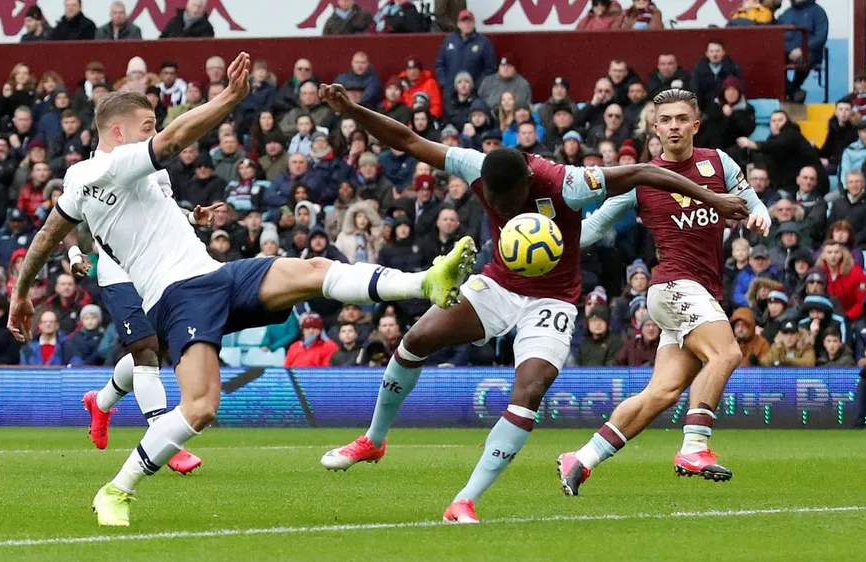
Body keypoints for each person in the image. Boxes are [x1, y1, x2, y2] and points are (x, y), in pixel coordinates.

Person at [7, 53, 479, 528]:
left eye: (153, 124)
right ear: (117, 133)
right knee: (201, 407)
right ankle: (116, 489)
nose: (153, 131)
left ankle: (427, 281)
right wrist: (230, 97)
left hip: (215, 275)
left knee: (312, 268)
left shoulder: (93, 180)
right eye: (146, 124)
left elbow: (52, 232)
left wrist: (21, 292)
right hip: (177, 296)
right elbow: (171, 141)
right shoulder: (103, 169)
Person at [315, 82, 748, 523]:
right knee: (416, 340)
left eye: (511, 201)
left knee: (529, 390)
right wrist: (353, 108)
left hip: (554, 300)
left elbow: (643, 172)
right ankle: (373, 439)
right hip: (499, 285)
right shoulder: (476, 166)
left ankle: (464, 500)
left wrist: (713, 198)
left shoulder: (570, 183)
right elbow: (408, 140)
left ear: (527, 180)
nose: (502, 208)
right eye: (495, 203)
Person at [564, 89, 770, 495]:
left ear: (695, 124)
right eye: (666, 120)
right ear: (654, 128)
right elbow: (594, 227)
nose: (673, 125)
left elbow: (751, 201)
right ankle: (694, 446)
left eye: (681, 118)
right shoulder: (640, 178)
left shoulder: (718, 162)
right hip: (673, 285)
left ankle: (581, 458)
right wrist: (550, 243)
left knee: (663, 392)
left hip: (700, 291)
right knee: (727, 352)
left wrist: (759, 213)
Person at [69, 168, 204, 474]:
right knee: (145, 350)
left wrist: (193, 218)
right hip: (118, 275)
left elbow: (163, 214)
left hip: (155, 272)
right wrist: (75, 252)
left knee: (152, 352)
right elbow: (67, 214)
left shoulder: (155, 167)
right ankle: (165, 441)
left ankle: (100, 402)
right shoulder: (94, 168)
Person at [434, 10, 496, 96]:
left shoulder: (484, 43)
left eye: (469, 21)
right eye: (463, 21)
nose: (467, 24)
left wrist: (477, 86)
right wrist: (446, 84)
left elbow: (490, 69)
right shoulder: (449, 41)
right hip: (451, 93)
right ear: (458, 24)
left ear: (474, 23)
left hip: (475, 93)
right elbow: (440, 65)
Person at [780, 0, 829, 103]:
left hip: (809, 51)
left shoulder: (818, 12)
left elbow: (821, 37)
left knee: (804, 59)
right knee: (771, 61)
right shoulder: (786, 13)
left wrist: (803, 49)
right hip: (786, 51)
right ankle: (793, 91)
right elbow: (777, 33)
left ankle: (794, 89)